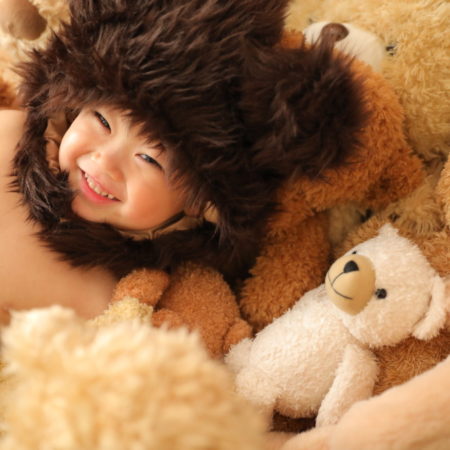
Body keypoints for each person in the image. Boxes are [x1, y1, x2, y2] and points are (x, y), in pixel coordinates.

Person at [0, 0, 367, 319]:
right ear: (72, 103)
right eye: (102, 121)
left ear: (199, 204)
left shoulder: (146, 292)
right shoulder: (9, 133)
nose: (106, 161)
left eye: (150, 159)